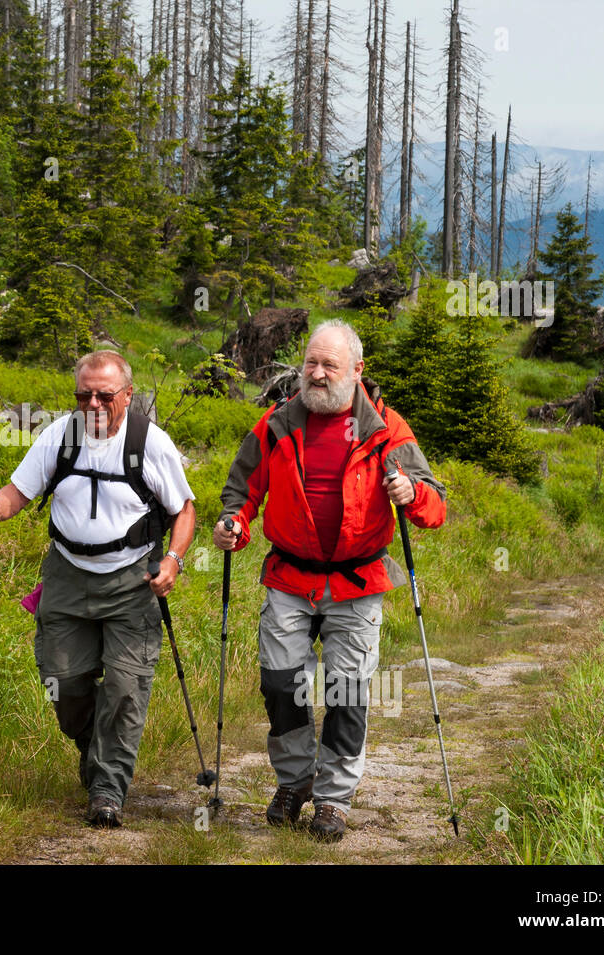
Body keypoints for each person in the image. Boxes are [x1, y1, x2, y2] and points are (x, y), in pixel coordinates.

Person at [214, 319, 446, 842]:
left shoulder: (386, 428)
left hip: (357, 581)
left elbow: (435, 505)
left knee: (346, 693)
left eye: (329, 366)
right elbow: (241, 490)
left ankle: (334, 800)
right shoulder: (276, 423)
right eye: (310, 364)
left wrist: (412, 494)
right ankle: (295, 783)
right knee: (281, 685)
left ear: (357, 370)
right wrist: (235, 523)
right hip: (289, 576)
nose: (316, 375)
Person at [0, 350, 196, 828]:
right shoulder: (60, 436)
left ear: (128, 395)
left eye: (104, 395)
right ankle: (98, 751)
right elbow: (18, 493)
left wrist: (173, 560)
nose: (92, 404)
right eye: (83, 394)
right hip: (67, 576)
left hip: (132, 579)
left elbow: (185, 510)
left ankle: (106, 789)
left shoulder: (148, 442)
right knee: (63, 681)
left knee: (125, 687)